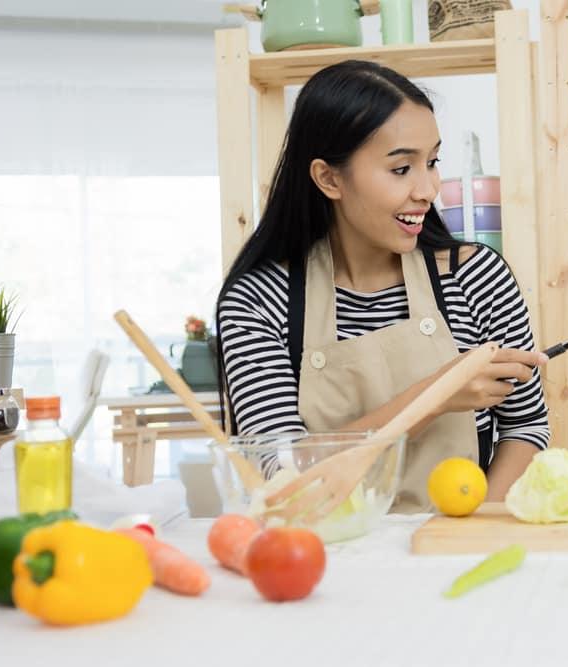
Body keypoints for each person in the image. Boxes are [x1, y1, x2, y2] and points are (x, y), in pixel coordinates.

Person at [215, 60, 550, 511]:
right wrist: (433, 397)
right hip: (322, 549)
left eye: (432, 162)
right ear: (329, 178)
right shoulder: (259, 301)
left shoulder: (475, 276)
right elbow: (281, 471)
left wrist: (472, 530)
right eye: (400, 169)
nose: (428, 189)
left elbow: (525, 429)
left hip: (453, 543)